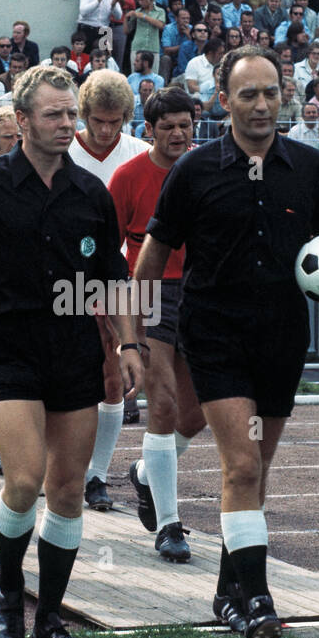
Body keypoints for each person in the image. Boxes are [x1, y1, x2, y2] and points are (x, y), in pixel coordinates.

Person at [135, 47, 319, 638]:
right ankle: (260, 601)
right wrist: (131, 338)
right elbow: (151, 256)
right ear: (224, 101)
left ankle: (228, 594)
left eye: (271, 92)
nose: (263, 104)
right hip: (215, 333)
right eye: (249, 94)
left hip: (282, 334)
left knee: (257, 473)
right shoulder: (192, 171)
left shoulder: (312, 168)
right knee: (241, 466)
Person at [0, 65, 144, 638]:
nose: (66, 124)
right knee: (24, 480)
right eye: (54, 114)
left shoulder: (90, 194)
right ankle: (7, 595)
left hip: (76, 352)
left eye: (70, 114)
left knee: (69, 490)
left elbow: (116, 281)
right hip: (9, 350)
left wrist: (128, 346)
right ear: (21, 120)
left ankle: (50, 617)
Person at [109, 86, 208, 563]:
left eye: (183, 124)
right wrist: (120, 325)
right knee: (163, 405)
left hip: (204, 293)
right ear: (148, 130)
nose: (176, 132)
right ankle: (169, 525)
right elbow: (109, 255)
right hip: (148, 292)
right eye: (166, 125)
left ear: (195, 126)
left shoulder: (210, 170)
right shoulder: (128, 177)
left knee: (201, 412)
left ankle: (146, 474)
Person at [67, 70, 151, 501]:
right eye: (96, 120)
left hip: (121, 281)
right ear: (83, 115)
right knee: (65, 375)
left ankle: (96, 474)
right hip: (65, 277)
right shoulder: (60, 150)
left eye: (113, 121)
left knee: (114, 376)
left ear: (127, 118)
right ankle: (62, 465)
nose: (104, 130)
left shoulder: (141, 154)